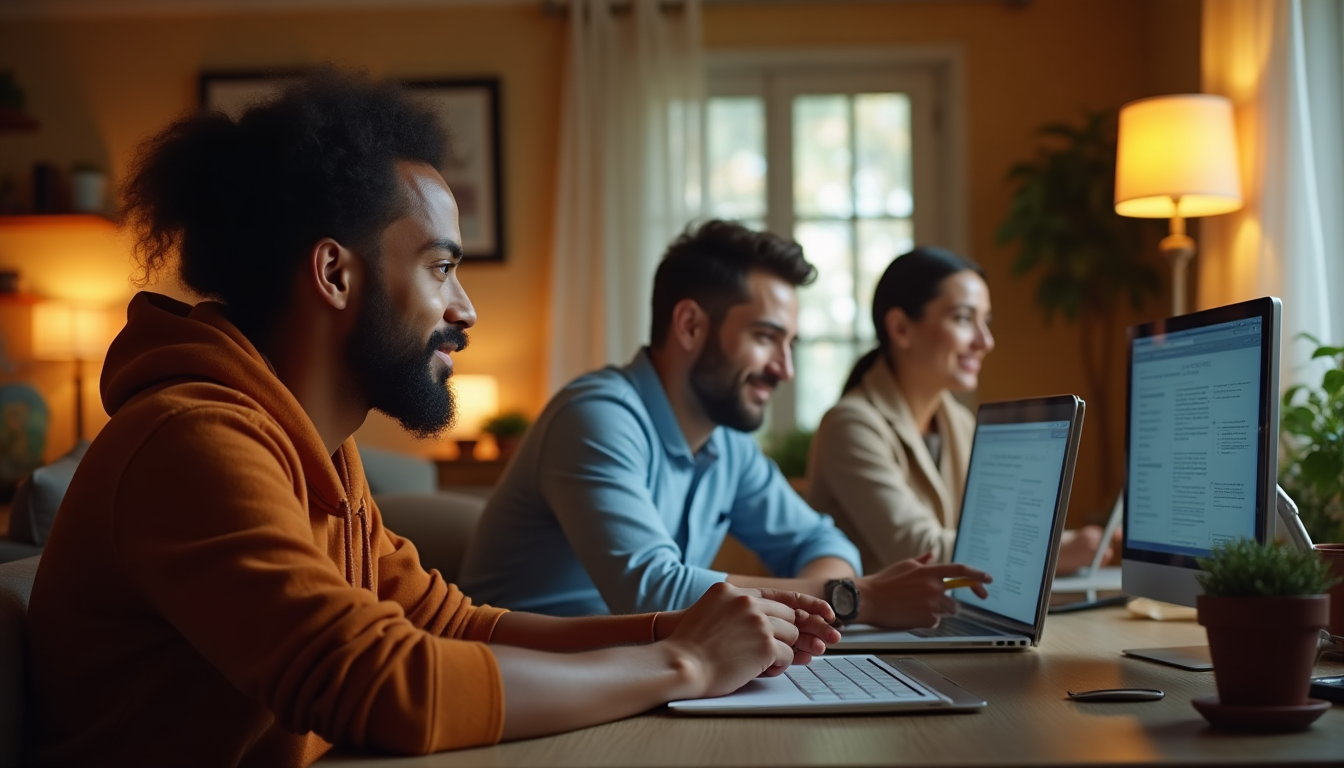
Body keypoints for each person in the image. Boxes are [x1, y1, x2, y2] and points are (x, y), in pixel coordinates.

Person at [25, 71, 843, 768]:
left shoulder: (316, 453)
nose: (466, 308)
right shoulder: (192, 442)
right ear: (335, 275)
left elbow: (450, 623)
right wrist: (683, 662)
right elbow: (383, 684)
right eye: (442, 266)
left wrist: (677, 625)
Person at [459, 221, 990, 625]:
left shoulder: (727, 446)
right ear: (689, 325)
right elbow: (653, 592)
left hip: (643, 673)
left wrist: (832, 595)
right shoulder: (596, 419)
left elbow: (824, 545)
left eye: (790, 344)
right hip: (536, 683)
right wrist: (854, 598)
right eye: (765, 337)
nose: (785, 369)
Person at [805, 246, 1108, 573]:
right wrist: (1054, 552)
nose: (985, 341)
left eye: (985, 321)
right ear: (901, 329)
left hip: (944, 613)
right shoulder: (850, 426)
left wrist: (1071, 543)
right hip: (871, 623)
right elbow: (920, 553)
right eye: (963, 318)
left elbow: (989, 533)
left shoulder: (959, 423)